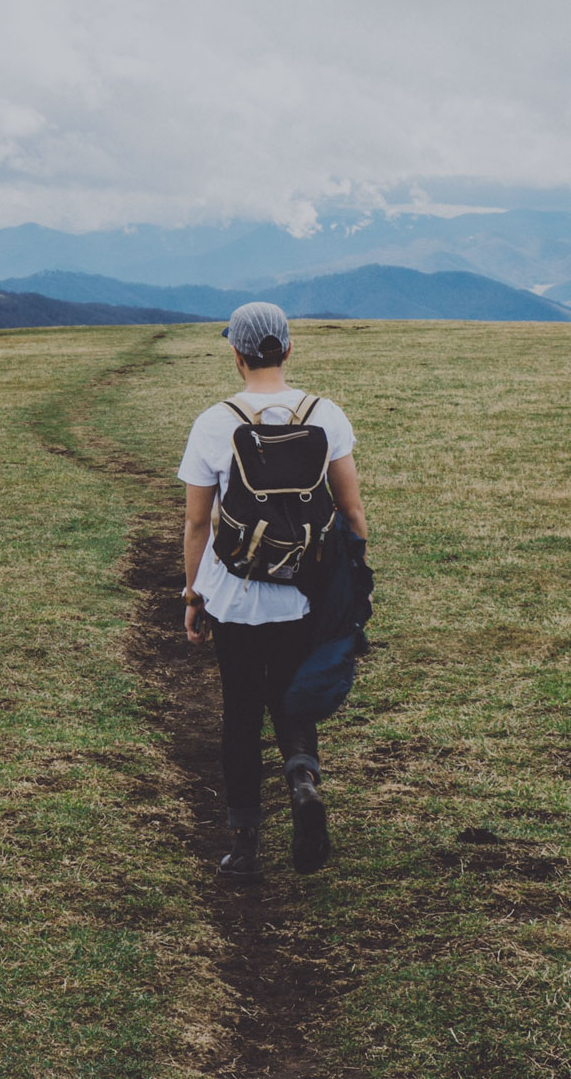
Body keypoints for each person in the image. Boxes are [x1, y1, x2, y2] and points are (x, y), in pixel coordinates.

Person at [178, 302, 368, 876]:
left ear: (236, 354)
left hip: (234, 594)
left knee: (240, 710)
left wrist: (193, 595)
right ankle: (303, 780)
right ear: (287, 349)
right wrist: (350, 585)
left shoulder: (216, 421)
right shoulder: (324, 413)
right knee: (292, 698)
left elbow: (195, 523)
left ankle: (243, 846)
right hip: (303, 593)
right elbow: (352, 511)